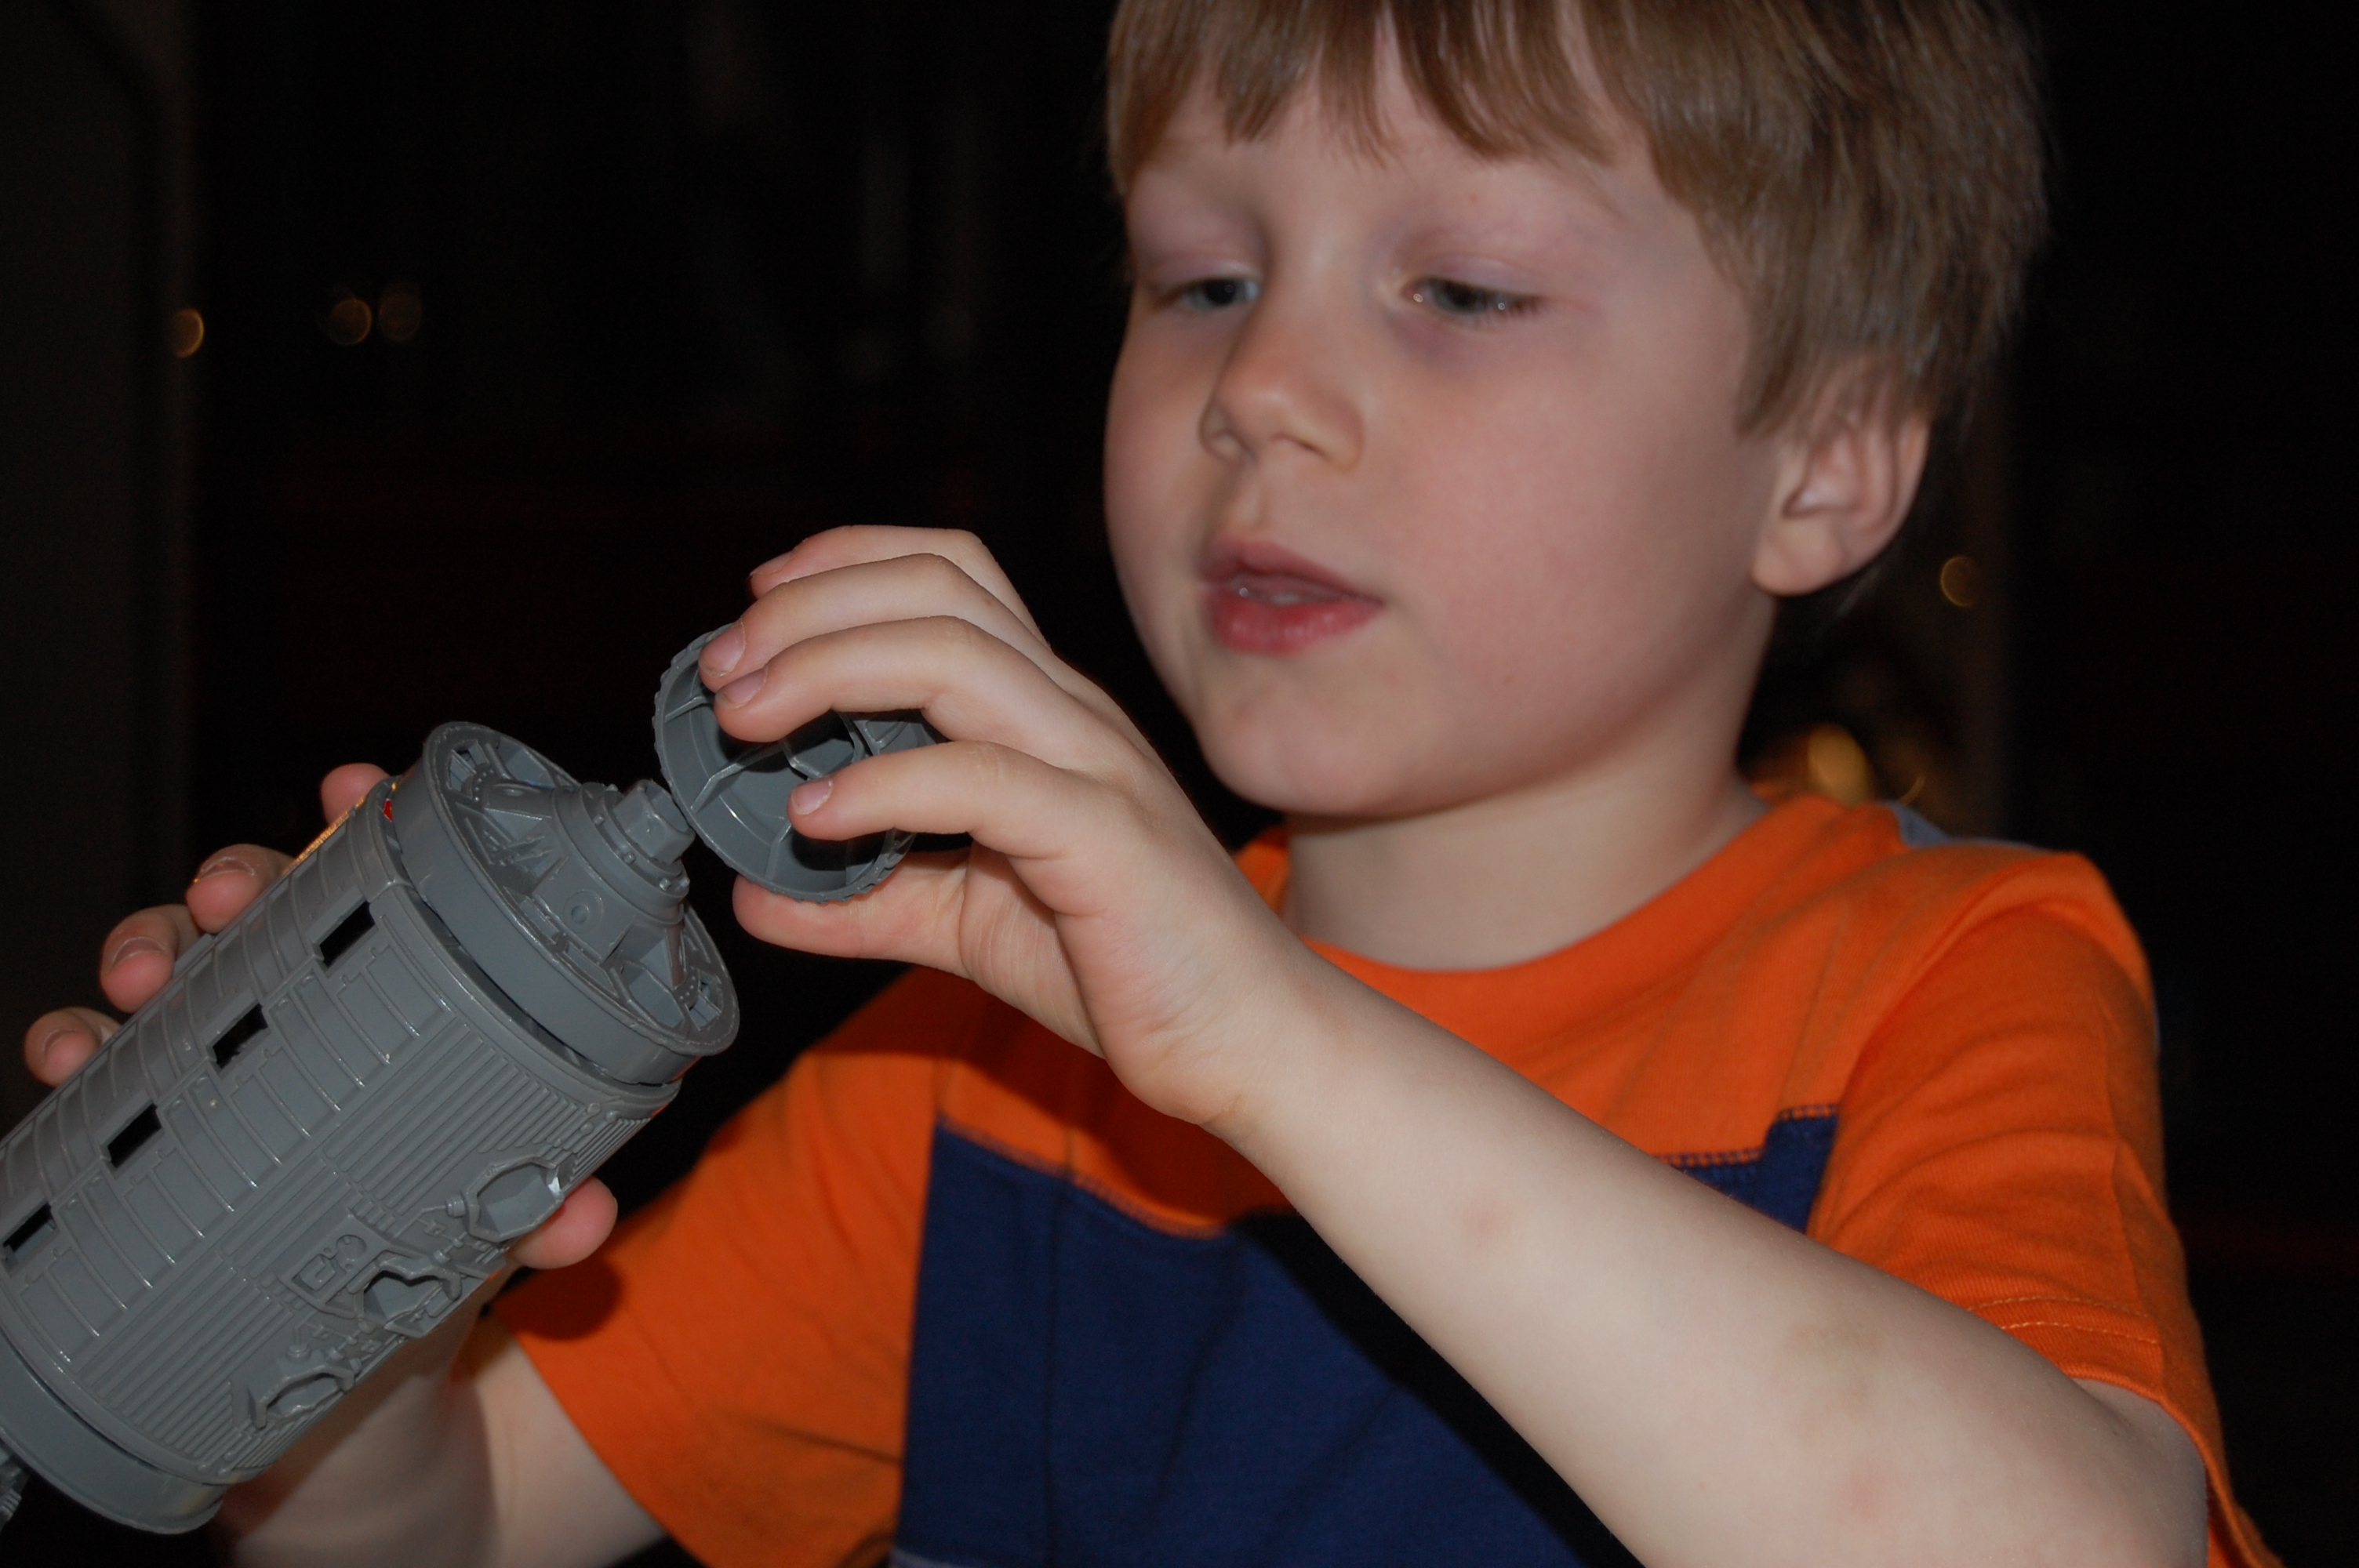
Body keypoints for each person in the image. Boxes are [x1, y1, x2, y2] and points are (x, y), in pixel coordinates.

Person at [23, 0, 2278, 1563]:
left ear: (1828, 461)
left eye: (1463, 290)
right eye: (1202, 278)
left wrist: (1269, 1040)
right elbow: (458, 1533)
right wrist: (338, 1274)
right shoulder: (989, 1075)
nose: (1262, 385)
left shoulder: (1944, 982)